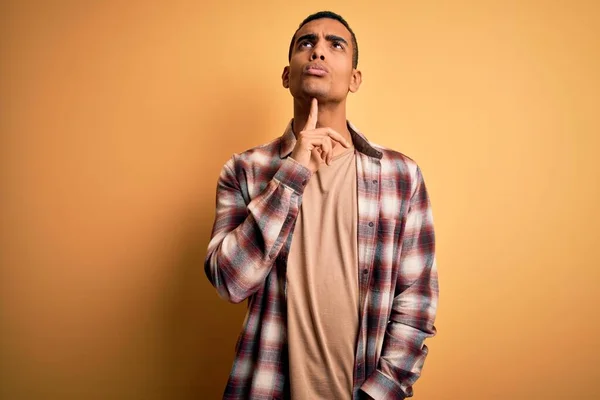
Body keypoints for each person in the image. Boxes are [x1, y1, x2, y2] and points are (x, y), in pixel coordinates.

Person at [204, 10, 438, 400]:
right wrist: (293, 171)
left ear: (355, 79)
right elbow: (230, 281)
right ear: (286, 74)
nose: (318, 53)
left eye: (335, 44)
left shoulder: (402, 176)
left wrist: (379, 392)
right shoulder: (244, 170)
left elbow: (416, 304)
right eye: (306, 43)